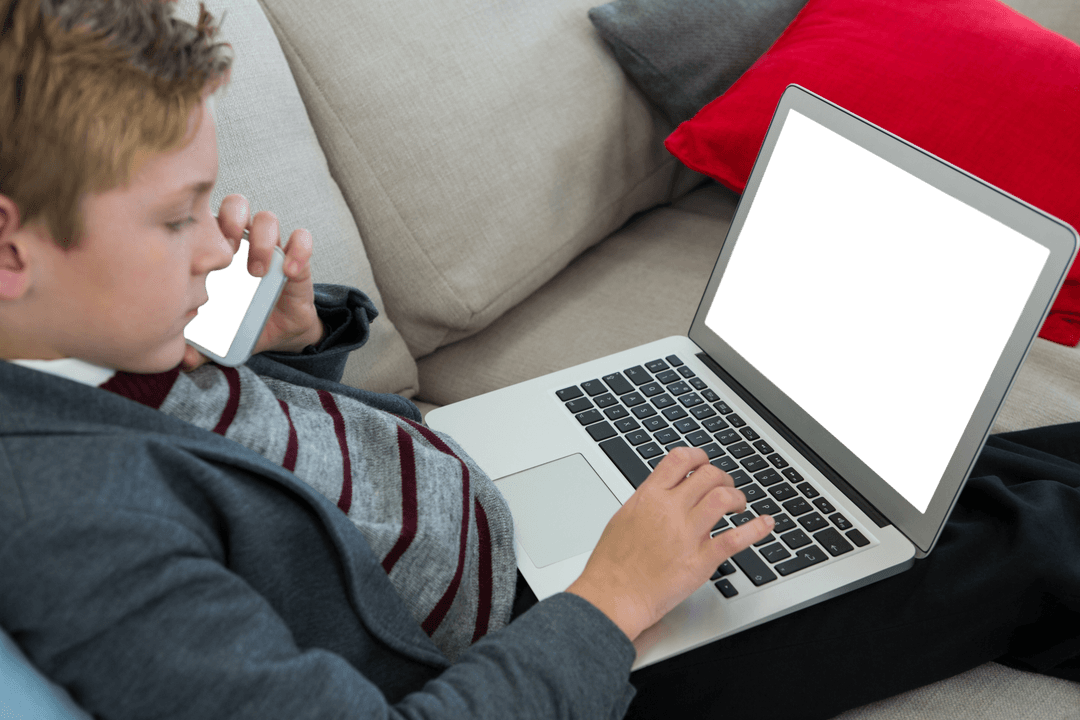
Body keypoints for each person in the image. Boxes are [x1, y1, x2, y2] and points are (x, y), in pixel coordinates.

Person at [0, 2, 1077, 719]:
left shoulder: (86, 343)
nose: (217, 240)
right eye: (178, 218)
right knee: (1026, 544)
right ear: (12, 249)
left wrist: (278, 345)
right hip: (541, 654)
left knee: (950, 473)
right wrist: (612, 600)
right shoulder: (77, 530)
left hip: (498, 507)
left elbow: (239, 458)